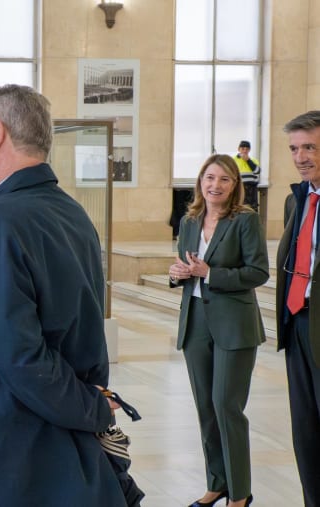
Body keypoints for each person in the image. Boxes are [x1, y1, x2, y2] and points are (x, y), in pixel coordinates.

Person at [0, 84, 125, 505]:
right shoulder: (69, 211)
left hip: (5, 461)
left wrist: (93, 409)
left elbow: (19, 354)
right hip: (58, 451)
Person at [169, 154, 267, 507]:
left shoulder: (245, 221)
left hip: (234, 326)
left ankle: (240, 493)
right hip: (195, 320)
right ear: (200, 182)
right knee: (205, 408)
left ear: (235, 185)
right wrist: (177, 273)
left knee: (226, 406)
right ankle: (217, 483)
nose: (215, 185)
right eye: (210, 178)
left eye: (224, 179)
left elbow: (258, 272)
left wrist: (210, 273)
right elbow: (186, 267)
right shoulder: (190, 220)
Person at [276, 110, 320, 507]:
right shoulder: (299, 199)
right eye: (295, 148)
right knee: (305, 433)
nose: (301, 156)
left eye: (310, 147)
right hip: (299, 324)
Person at [234, 140, 261, 212]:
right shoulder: (234, 160)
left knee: (252, 208)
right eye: (243, 148)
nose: (245, 151)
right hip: (240, 187)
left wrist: (248, 161)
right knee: (240, 207)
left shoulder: (253, 160)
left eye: (247, 149)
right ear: (239, 149)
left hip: (252, 188)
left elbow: (257, 171)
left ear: (249, 150)